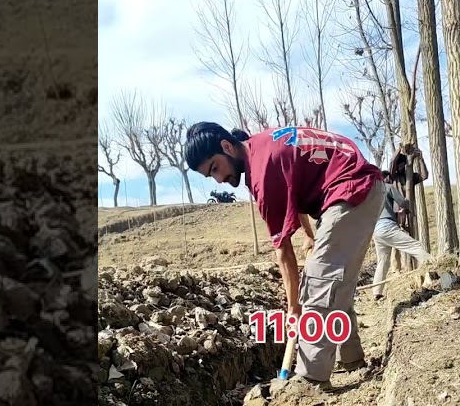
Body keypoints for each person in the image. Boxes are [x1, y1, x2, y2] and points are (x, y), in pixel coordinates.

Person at [184, 122, 385, 390]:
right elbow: (293, 194)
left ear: (226, 146)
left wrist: (294, 308)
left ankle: (308, 383)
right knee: (333, 283)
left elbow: (284, 253)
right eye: (211, 177)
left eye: (215, 168)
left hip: (351, 189)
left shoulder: (262, 172)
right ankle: (351, 360)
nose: (219, 179)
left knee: (318, 285)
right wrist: (311, 235)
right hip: (354, 186)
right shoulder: (264, 146)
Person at [371, 171, 431, 299]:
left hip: (376, 230)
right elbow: (403, 202)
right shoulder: (388, 187)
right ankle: (433, 268)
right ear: (386, 178)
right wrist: (405, 206)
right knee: (415, 246)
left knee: (383, 261)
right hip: (387, 226)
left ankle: (377, 292)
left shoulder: (370, 193)